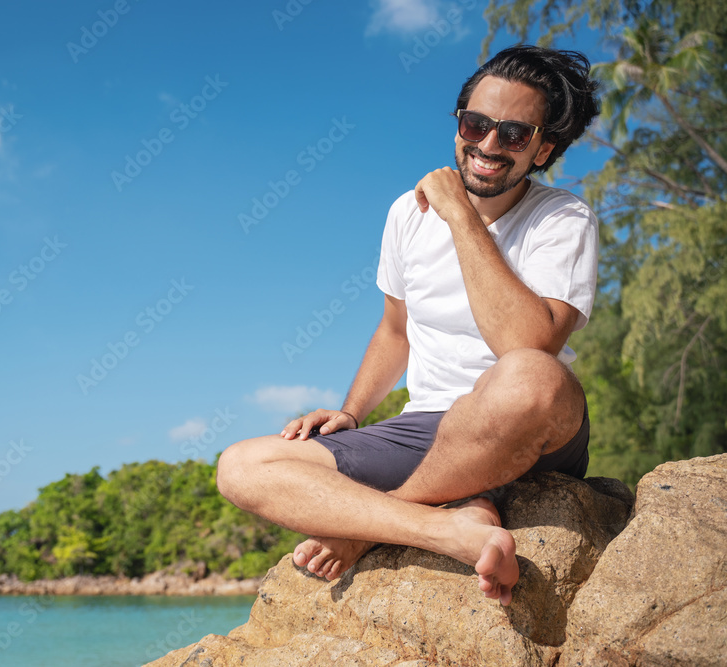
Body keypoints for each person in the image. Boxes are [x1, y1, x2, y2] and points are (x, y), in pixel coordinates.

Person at [216, 45, 601, 606]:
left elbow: (529, 345)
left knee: (530, 377)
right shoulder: (406, 213)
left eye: (514, 134)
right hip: (426, 429)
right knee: (241, 467)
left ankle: (362, 529)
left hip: (528, 421)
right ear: (458, 126)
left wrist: (460, 214)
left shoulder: (563, 218)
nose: (488, 145)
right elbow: (396, 329)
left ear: (543, 148)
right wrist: (352, 412)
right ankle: (447, 526)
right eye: (476, 124)